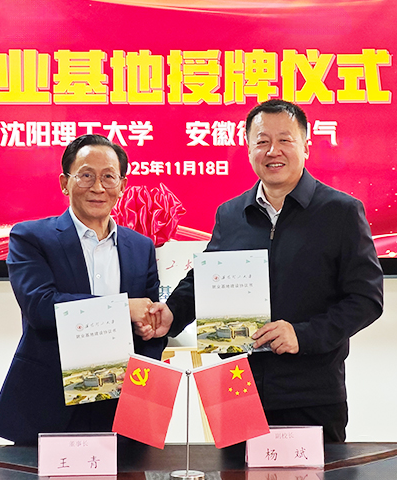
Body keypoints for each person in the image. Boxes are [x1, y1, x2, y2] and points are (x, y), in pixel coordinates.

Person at [152, 99, 384, 443]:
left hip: (310, 392)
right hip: (235, 387)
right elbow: (206, 278)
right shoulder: (231, 214)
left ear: (306, 146)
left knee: (308, 476)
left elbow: (366, 299)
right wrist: (172, 314)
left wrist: (302, 335)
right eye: (262, 141)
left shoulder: (341, 212)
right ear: (249, 150)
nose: (273, 151)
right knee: (236, 475)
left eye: (285, 140)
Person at [0, 134, 165, 445]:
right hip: (49, 404)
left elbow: (149, 319)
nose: (98, 187)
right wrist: (124, 308)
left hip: (123, 408)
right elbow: (41, 308)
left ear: (122, 185)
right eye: (86, 175)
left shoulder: (141, 247)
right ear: (64, 183)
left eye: (108, 177)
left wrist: (150, 329)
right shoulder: (30, 238)